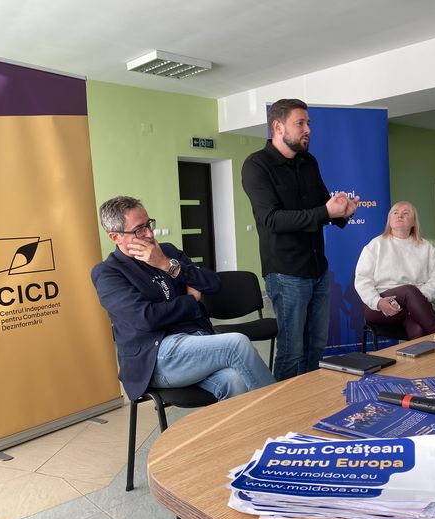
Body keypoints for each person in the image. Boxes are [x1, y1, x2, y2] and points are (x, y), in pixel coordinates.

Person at [91, 196, 275, 402]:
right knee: (236, 343)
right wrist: (190, 301)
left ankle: (246, 433)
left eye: (149, 224)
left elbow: (213, 284)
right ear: (115, 237)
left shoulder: (167, 252)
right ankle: (282, 419)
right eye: (139, 229)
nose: (150, 234)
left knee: (235, 381)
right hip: (156, 358)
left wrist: (166, 265)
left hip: (196, 343)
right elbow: (147, 318)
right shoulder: (108, 273)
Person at [242, 98, 360, 381]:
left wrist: (342, 212)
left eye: (308, 123)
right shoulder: (257, 166)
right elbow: (271, 220)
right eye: (301, 123)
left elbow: (321, 206)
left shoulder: (309, 161)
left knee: (316, 346)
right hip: (286, 272)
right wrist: (325, 210)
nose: (308, 129)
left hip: (318, 268)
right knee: (292, 351)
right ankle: (283, 412)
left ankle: (308, 405)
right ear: (277, 126)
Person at [355, 201, 435, 339]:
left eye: (405, 213)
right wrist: (377, 302)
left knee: (419, 329)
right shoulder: (375, 245)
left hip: (412, 308)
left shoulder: (426, 247)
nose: (399, 215)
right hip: (379, 307)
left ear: (414, 222)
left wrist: (416, 300)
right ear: (389, 221)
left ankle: (429, 360)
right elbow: (362, 279)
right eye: (395, 213)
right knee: (409, 290)